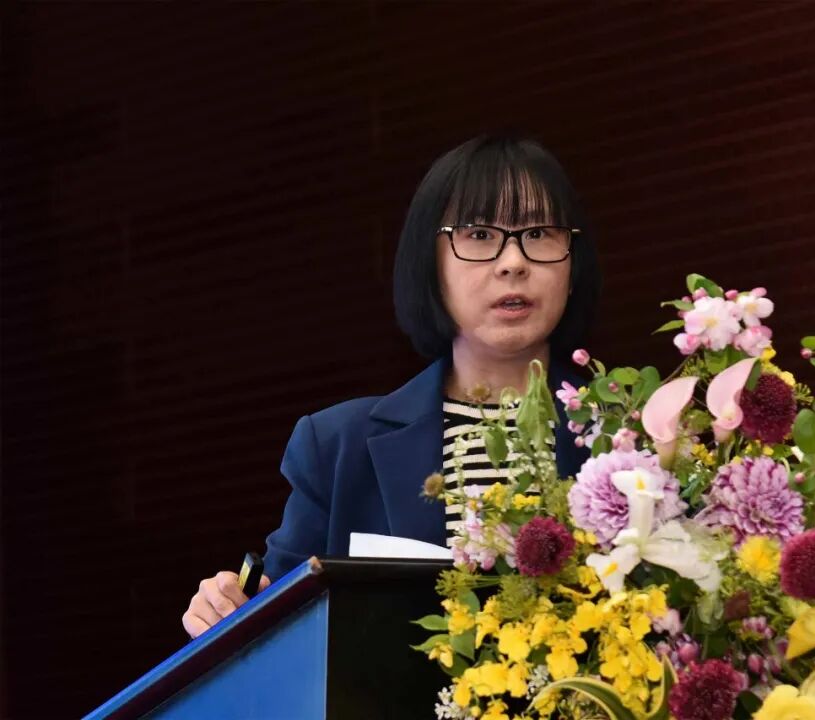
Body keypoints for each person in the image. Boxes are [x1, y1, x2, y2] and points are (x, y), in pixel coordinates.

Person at [182, 133, 601, 638]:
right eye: (478, 234)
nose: (513, 261)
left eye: (538, 233)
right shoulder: (338, 448)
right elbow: (274, 625)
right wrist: (224, 609)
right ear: (431, 265)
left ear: (572, 264)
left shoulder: (632, 439)